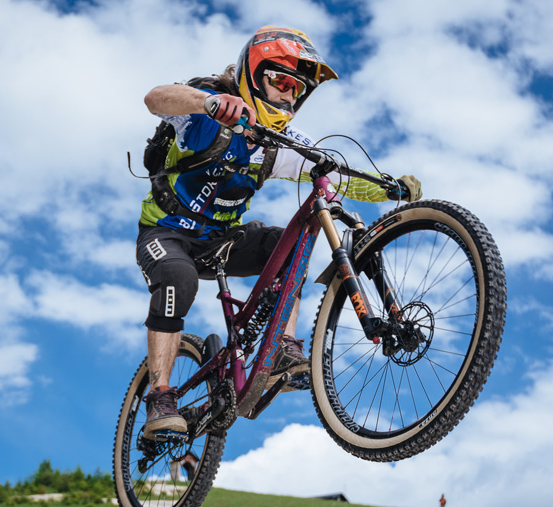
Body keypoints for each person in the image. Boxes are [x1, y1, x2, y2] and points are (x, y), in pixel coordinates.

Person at [136, 25, 423, 439]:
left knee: (283, 242)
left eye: (298, 90)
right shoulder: (204, 114)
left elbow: (336, 173)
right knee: (178, 280)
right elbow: (156, 98)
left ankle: (283, 348)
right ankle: (160, 397)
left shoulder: (281, 142)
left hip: (220, 242)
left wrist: (388, 187)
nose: (289, 95)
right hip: (165, 235)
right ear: (253, 73)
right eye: (281, 82)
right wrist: (211, 102)